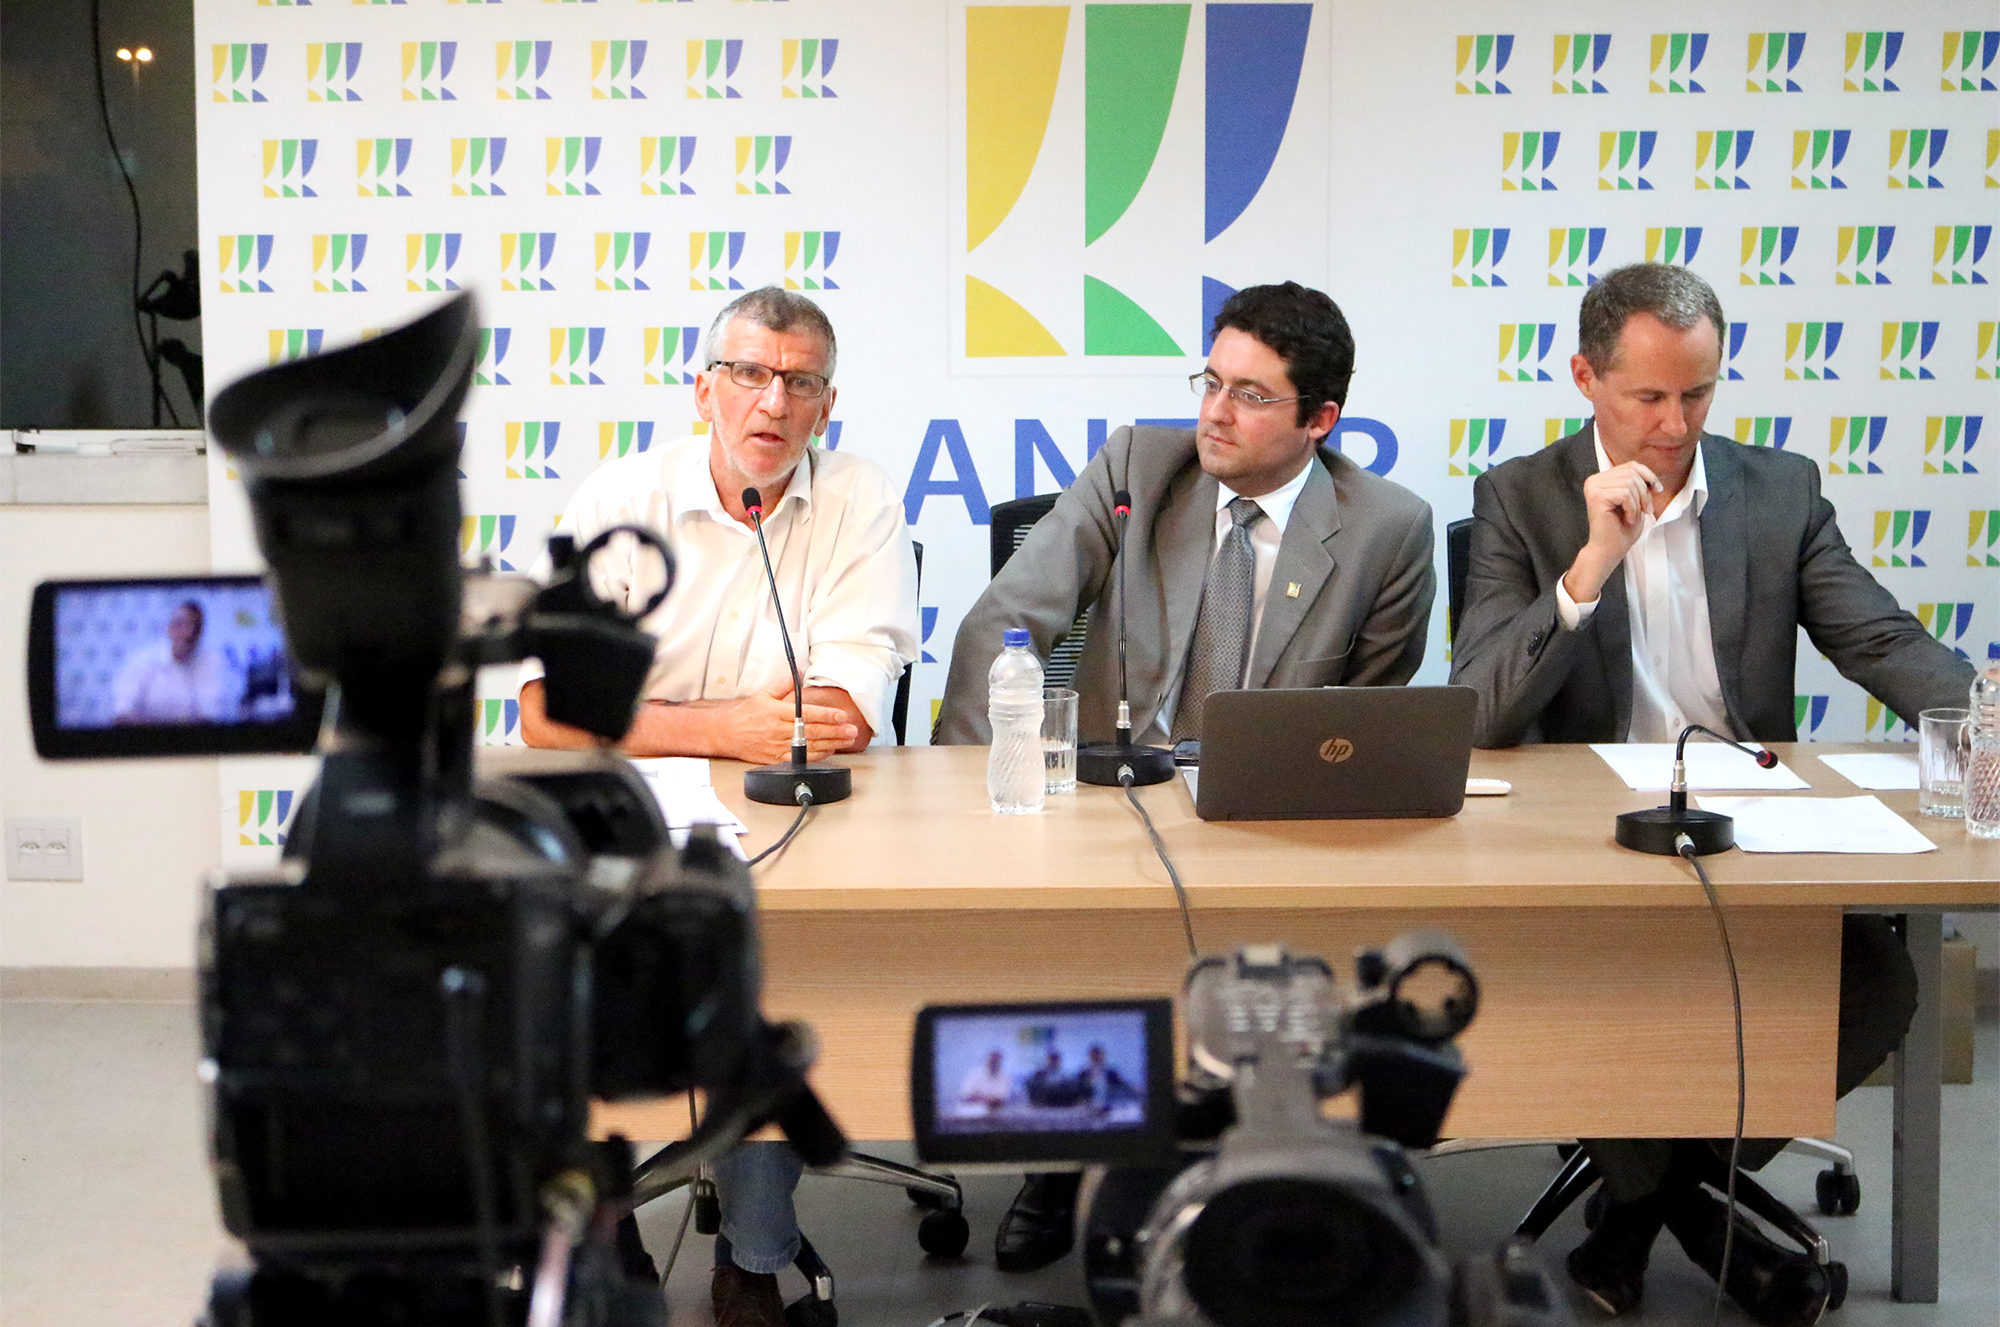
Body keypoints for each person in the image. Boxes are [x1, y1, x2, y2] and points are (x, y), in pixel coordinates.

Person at [1449, 263, 1974, 1327]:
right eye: (1646, 396)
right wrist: (1592, 562)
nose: (1673, 423)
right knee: (1590, 988)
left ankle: (1642, 1210)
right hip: (1585, 840)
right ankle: (1705, 1223)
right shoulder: (1519, 496)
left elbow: (1874, 636)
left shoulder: (1775, 490)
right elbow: (1476, 710)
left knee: (1875, 983)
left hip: (1746, 822)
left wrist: (1987, 722)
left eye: (1696, 393)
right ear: (1584, 378)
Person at [936, 281, 1436, 1272]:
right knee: (1080, 935)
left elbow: (1365, 731)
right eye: (1209, 379)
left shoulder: (1387, 527)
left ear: (1319, 419)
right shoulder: (1137, 465)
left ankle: (1256, 1145)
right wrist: (972, 790)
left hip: (1270, 820)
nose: (1213, 410)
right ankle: (1063, 1153)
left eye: (1250, 394)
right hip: (1110, 796)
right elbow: (1008, 617)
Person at [520, 287, 918, 1327]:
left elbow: (837, 717)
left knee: (774, 967)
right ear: (703, 390)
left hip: (790, 820)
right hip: (631, 812)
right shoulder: (623, 497)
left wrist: (670, 718)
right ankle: (604, 1222)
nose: (770, 402)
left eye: (798, 382)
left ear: (825, 407)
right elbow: (544, 713)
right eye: (747, 373)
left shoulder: (858, 499)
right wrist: (725, 726)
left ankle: (754, 1250)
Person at [111, 599, 233, 723]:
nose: (187, 633)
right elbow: (121, 713)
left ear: (200, 632)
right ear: (169, 627)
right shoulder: (142, 660)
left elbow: (212, 715)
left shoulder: (211, 661)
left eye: (194, 627)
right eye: (179, 625)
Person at [957, 1050, 1011, 1115]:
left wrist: (979, 1097)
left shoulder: (1004, 1077)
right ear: (987, 1061)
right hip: (973, 1109)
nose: (994, 1064)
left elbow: (1000, 1100)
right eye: (992, 1061)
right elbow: (966, 1096)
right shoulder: (974, 1074)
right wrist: (987, 1099)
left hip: (995, 1111)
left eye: (996, 1062)